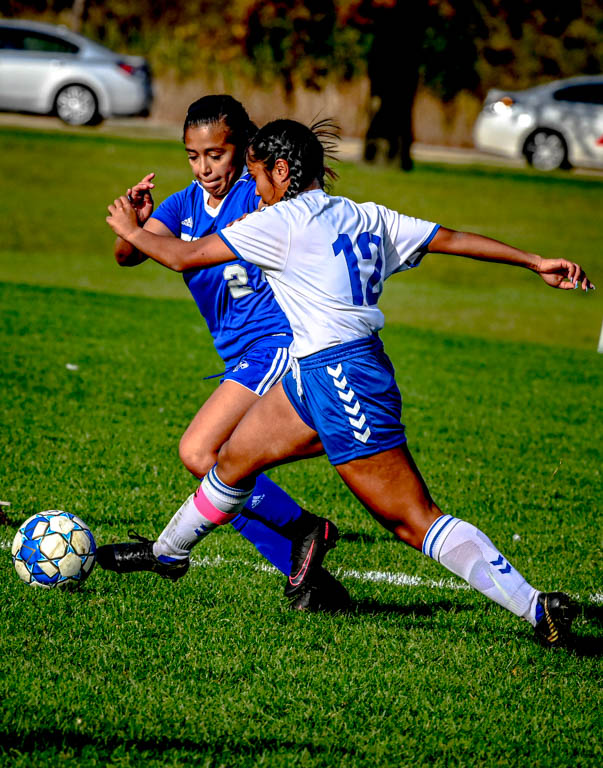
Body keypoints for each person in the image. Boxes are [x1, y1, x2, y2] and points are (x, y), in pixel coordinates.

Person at [106, 118, 594, 647]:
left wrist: (131, 229)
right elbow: (448, 238)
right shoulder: (366, 215)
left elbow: (182, 255)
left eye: (257, 177)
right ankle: (169, 554)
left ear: (282, 170)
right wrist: (532, 260)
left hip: (345, 380)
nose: (255, 191)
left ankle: (534, 607)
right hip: (315, 375)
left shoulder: (280, 222)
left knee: (413, 521)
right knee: (233, 459)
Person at [98, 99, 348, 612]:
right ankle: (309, 575)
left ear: (243, 149)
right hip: (239, 356)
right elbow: (128, 256)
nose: (204, 167)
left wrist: (135, 232)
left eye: (216, 153)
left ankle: (302, 527)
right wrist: (140, 224)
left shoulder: (257, 198)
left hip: (275, 343)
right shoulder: (183, 204)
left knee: (198, 453)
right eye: (193, 156)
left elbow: (177, 254)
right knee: (217, 470)